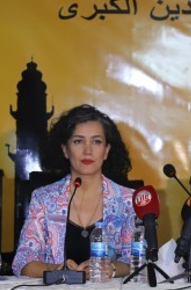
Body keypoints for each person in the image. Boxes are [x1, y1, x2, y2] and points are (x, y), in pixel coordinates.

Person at [12, 104, 135, 278]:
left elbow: (138, 261)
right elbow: (22, 262)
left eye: (96, 141)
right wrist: (57, 269)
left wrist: (111, 269)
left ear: (106, 150)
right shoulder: (44, 199)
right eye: (78, 141)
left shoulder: (128, 200)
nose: (88, 151)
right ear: (65, 150)